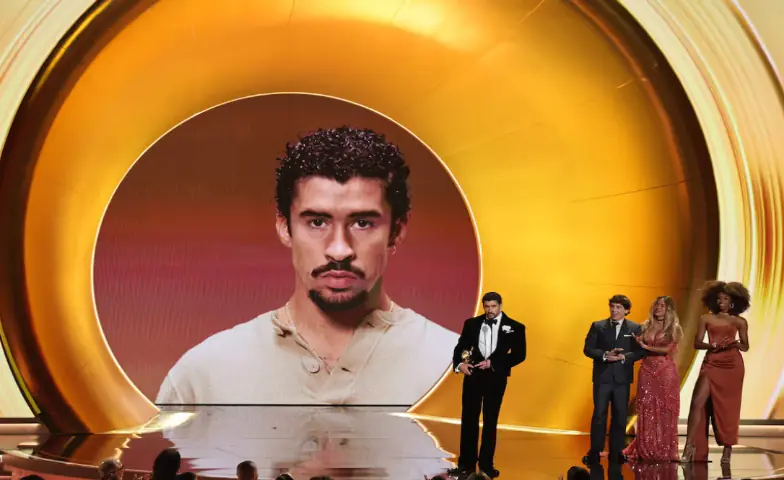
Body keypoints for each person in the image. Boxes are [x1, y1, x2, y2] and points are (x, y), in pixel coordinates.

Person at [156, 126, 457, 405]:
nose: (339, 250)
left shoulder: (452, 368)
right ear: (285, 227)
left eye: (363, 223)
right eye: (317, 222)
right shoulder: (203, 377)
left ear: (396, 230)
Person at [447, 292, 527, 479]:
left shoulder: (515, 327)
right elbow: (461, 347)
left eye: (493, 306)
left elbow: (519, 354)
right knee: (468, 420)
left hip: (496, 378)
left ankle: (486, 466)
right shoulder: (472, 324)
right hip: (473, 376)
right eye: (487, 306)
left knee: (490, 421)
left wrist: (494, 363)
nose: (490, 310)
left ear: (500, 305)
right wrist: (460, 364)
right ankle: (466, 465)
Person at [681, 281, 750, 464]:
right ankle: (689, 447)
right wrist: (711, 345)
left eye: (725, 299)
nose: (721, 302)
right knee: (697, 403)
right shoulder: (706, 318)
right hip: (712, 363)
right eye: (719, 298)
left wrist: (735, 343)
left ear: (733, 301)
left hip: (732, 366)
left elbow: (745, 346)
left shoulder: (740, 322)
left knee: (729, 409)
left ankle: (727, 451)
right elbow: (697, 343)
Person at [582, 294, 646, 465]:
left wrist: (623, 357)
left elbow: (640, 352)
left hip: (622, 379)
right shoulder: (598, 326)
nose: (614, 310)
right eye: (612, 306)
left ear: (626, 310)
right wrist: (604, 355)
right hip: (602, 378)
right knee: (599, 415)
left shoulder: (635, 328)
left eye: (618, 307)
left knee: (619, 416)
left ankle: (617, 452)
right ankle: (595, 451)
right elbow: (588, 349)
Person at [623, 296, 682, 462]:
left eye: (662, 305)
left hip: (665, 371)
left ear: (669, 309)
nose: (658, 308)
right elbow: (636, 348)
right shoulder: (645, 326)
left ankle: (664, 449)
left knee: (664, 409)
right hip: (647, 370)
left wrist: (645, 346)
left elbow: (667, 349)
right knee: (646, 408)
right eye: (656, 305)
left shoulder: (674, 328)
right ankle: (646, 447)